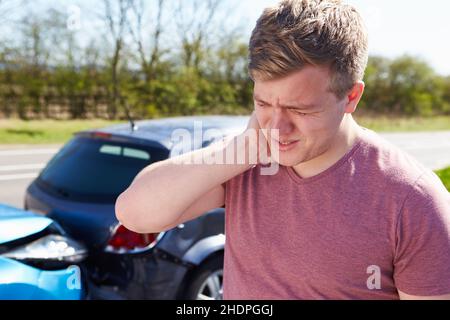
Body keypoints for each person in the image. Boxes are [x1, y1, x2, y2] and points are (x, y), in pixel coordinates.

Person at [115, 0, 450, 299]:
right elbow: (134, 214)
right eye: (263, 103)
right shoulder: (245, 162)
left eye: (300, 110)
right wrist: (241, 151)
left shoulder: (413, 200)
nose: (276, 129)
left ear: (351, 97)